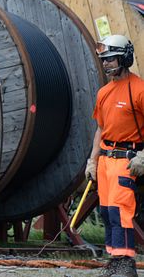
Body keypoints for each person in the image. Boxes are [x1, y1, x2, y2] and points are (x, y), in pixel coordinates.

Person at [85, 35, 144, 277]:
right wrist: (92, 160)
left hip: (126, 160)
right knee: (107, 211)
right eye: (104, 60)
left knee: (121, 211)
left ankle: (126, 263)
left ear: (124, 58)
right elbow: (100, 129)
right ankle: (115, 259)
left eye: (111, 59)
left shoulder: (139, 89)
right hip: (106, 161)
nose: (107, 64)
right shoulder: (104, 93)